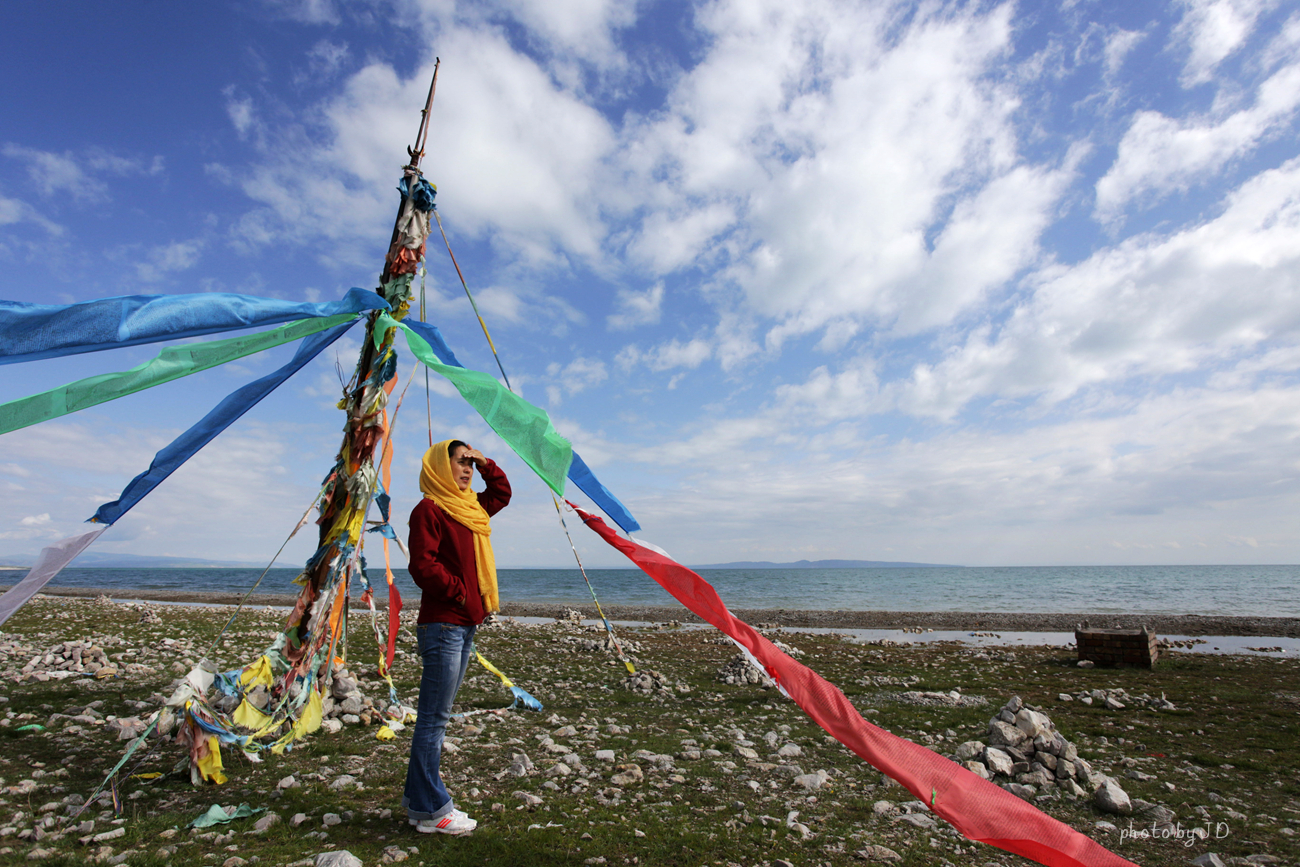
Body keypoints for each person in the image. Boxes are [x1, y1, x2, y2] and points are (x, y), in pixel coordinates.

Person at [402, 439, 511, 835]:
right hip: (443, 623)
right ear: (440, 465)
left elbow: (502, 492)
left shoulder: (470, 508)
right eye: (461, 461)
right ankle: (434, 809)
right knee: (434, 719)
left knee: (435, 718)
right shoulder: (429, 509)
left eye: (470, 462)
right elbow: (422, 565)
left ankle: (420, 807)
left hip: (465, 624)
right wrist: (460, 590)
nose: (466, 469)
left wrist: (487, 462)